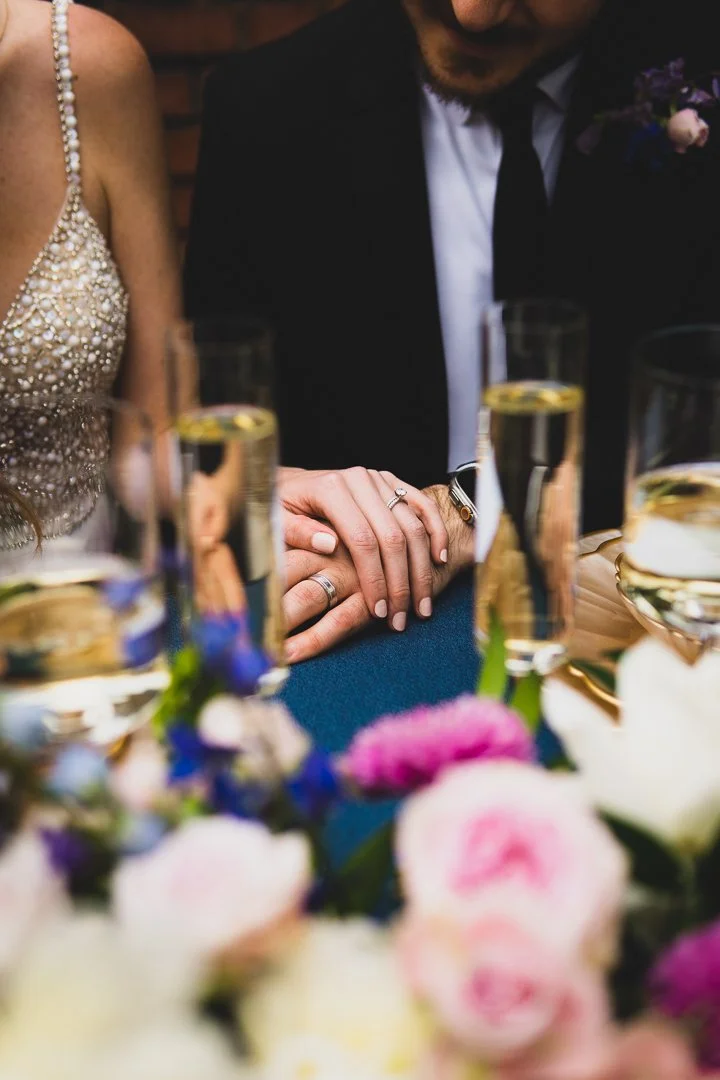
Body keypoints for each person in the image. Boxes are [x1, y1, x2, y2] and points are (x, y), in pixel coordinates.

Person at [185, 0, 720, 659]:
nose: (472, 13)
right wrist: (290, 511)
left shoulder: (699, 75)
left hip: (653, 641)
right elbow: (217, 443)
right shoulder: (264, 107)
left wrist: (467, 507)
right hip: (368, 653)